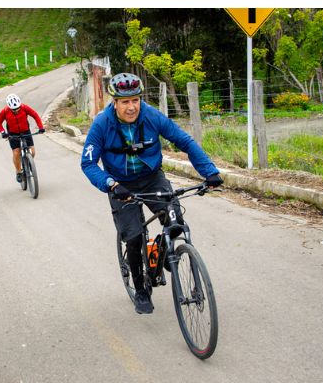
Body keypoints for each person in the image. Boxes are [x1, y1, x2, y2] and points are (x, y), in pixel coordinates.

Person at [81, 73, 223, 315]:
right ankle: (141, 290)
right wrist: (111, 184)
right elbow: (88, 163)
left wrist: (209, 172)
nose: (131, 106)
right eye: (125, 102)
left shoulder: (151, 115)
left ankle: (167, 250)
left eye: (135, 100)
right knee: (134, 238)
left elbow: (185, 141)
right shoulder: (102, 124)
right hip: (120, 184)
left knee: (176, 221)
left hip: (151, 177)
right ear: (114, 102)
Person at [0, 93, 44, 184]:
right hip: (13, 134)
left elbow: (35, 115)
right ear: (9, 107)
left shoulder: (24, 107)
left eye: (17, 108)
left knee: (32, 151)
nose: (16, 110)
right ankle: (18, 172)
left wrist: (41, 127)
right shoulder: (5, 111)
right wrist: (3, 132)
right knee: (16, 152)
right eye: (13, 109)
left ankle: (29, 163)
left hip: (25, 131)